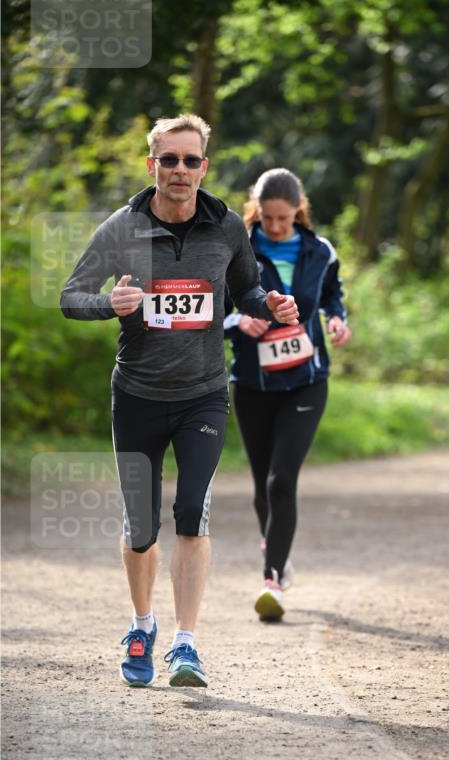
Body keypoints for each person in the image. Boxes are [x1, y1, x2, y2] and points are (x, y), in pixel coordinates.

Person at [60, 115, 299, 688]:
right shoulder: (123, 226)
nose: (181, 171)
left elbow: (244, 290)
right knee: (141, 525)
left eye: (191, 161)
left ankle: (186, 645)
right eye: (170, 160)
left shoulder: (226, 229)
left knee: (192, 512)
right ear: (152, 165)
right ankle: (142, 627)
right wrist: (110, 304)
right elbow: (71, 297)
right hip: (138, 394)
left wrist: (270, 305)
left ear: (204, 167)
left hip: (203, 396)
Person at [224, 168, 351, 621]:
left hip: (306, 380)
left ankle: (271, 579)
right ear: (256, 209)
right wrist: (237, 321)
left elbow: (333, 295)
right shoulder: (236, 247)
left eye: (283, 218)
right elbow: (213, 306)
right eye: (268, 218)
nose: (275, 227)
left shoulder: (321, 250)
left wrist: (337, 318)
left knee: (282, 481)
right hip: (253, 382)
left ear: (299, 209)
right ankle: (279, 555)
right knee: (262, 489)